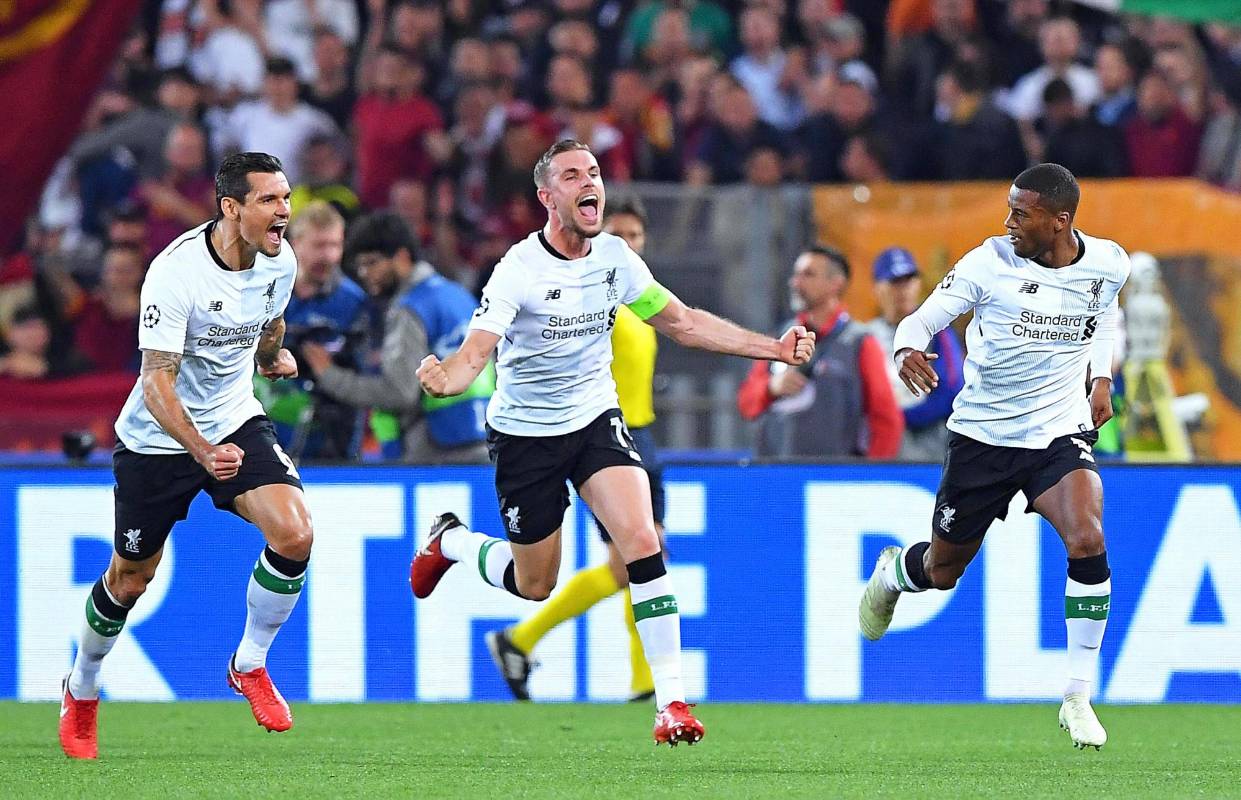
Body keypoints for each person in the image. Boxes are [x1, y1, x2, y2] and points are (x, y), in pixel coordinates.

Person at [410, 139, 815, 745]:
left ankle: (671, 703)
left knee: (642, 542)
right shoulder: (518, 269)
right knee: (534, 584)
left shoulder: (615, 258)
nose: (589, 183)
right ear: (547, 197)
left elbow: (682, 322)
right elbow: (475, 353)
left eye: (594, 172)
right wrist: (448, 380)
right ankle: (452, 542)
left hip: (595, 419)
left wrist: (772, 349)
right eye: (572, 176)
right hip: (526, 435)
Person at [858, 163, 1129, 750]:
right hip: (983, 438)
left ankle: (1078, 695)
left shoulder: (1110, 262)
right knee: (943, 571)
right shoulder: (988, 263)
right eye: (1008, 210)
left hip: (1057, 431)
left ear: (1060, 221)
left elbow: (1103, 311)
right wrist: (906, 350)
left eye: (1021, 214)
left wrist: (1102, 377)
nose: (1008, 223)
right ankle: (893, 574)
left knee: (1087, 537)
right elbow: (920, 320)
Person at [59, 152, 310, 759]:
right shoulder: (176, 273)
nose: (284, 211)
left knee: (295, 534)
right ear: (231, 208)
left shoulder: (281, 260)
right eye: (269, 200)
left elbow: (270, 320)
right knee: (130, 579)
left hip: (234, 416)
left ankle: (249, 664)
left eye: (285, 198)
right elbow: (156, 381)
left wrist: (271, 357)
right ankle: (82, 687)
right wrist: (201, 450)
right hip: (160, 437)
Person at [486, 198, 664, 703]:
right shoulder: (591, 302)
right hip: (599, 436)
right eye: (618, 234)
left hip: (641, 434)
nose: (627, 243)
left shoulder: (641, 297)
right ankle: (639, 679)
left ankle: (524, 642)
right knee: (634, 560)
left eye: (636, 235)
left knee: (639, 560)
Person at [300, 211, 491, 463]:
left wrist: (329, 375)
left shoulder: (410, 309)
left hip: (437, 450)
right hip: (482, 437)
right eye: (360, 265)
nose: (364, 273)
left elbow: (399, 392)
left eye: (372, 263)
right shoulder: (457, 295)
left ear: (401, 257)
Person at [737, 246, 903, 459]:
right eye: (796, 275)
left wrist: (870, 474)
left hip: (835, 475)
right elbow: (746, 404)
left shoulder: (860, 342)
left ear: (836, 284)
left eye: (808, 275)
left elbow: (886, 419)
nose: (795, 283)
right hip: (777, 472)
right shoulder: (780, 337)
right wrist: (771, 387)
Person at [259, 200, 367, 460]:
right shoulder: (265, 291)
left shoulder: (354, 302)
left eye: (335, 245)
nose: (328, 256)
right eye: (320, 245)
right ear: (296, 243)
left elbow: (364, 373)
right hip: (265, 427)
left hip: (331, 437)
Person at [864, 247, 964, 461]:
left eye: (909, 280)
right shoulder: (865, 335)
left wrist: (898, 418)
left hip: (928, 442)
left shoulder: (937, 330)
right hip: (876, 442)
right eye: (894, 282)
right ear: (877, 288)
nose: (903, 290)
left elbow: (953, 389)